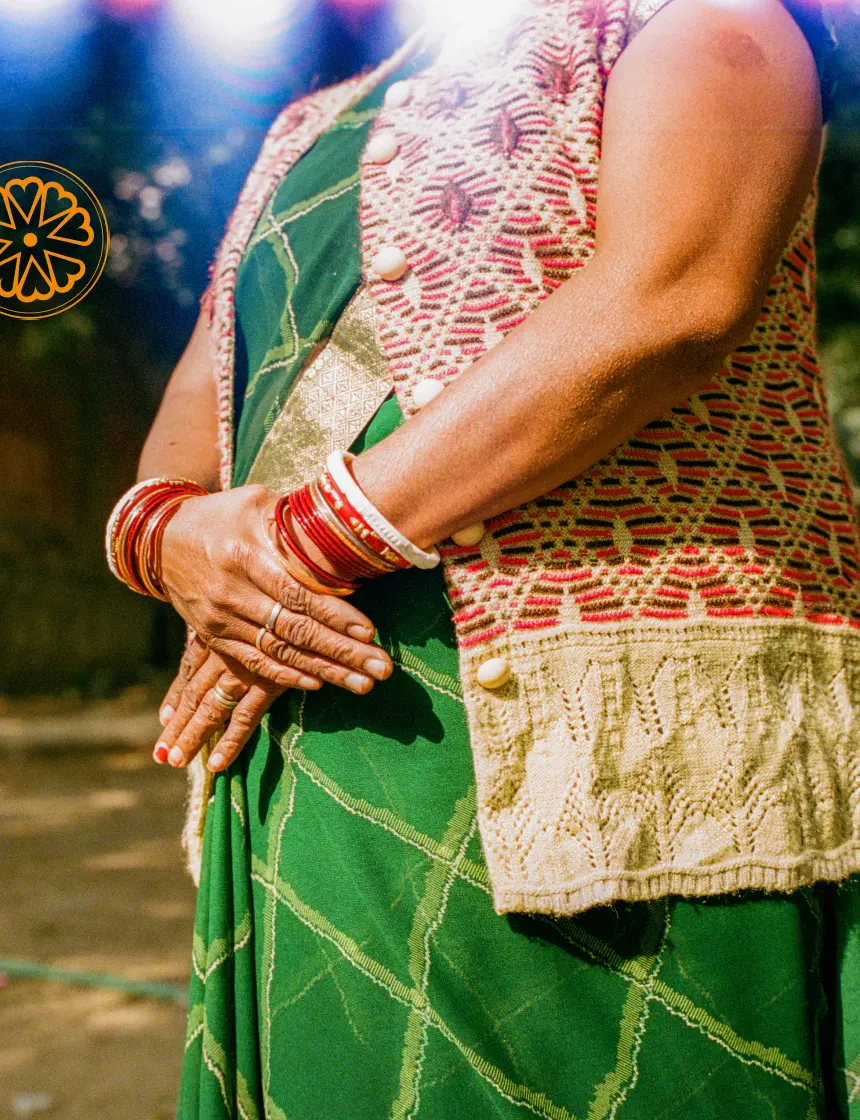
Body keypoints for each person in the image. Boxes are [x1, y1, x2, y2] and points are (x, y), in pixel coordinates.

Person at [106, 0, 860, 1114]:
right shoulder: (308, 127)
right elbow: (203, 396)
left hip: (618, 750)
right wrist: (168, 537)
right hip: (323, 733)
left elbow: (672, 299)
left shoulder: (708, 24)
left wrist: (293, 547)